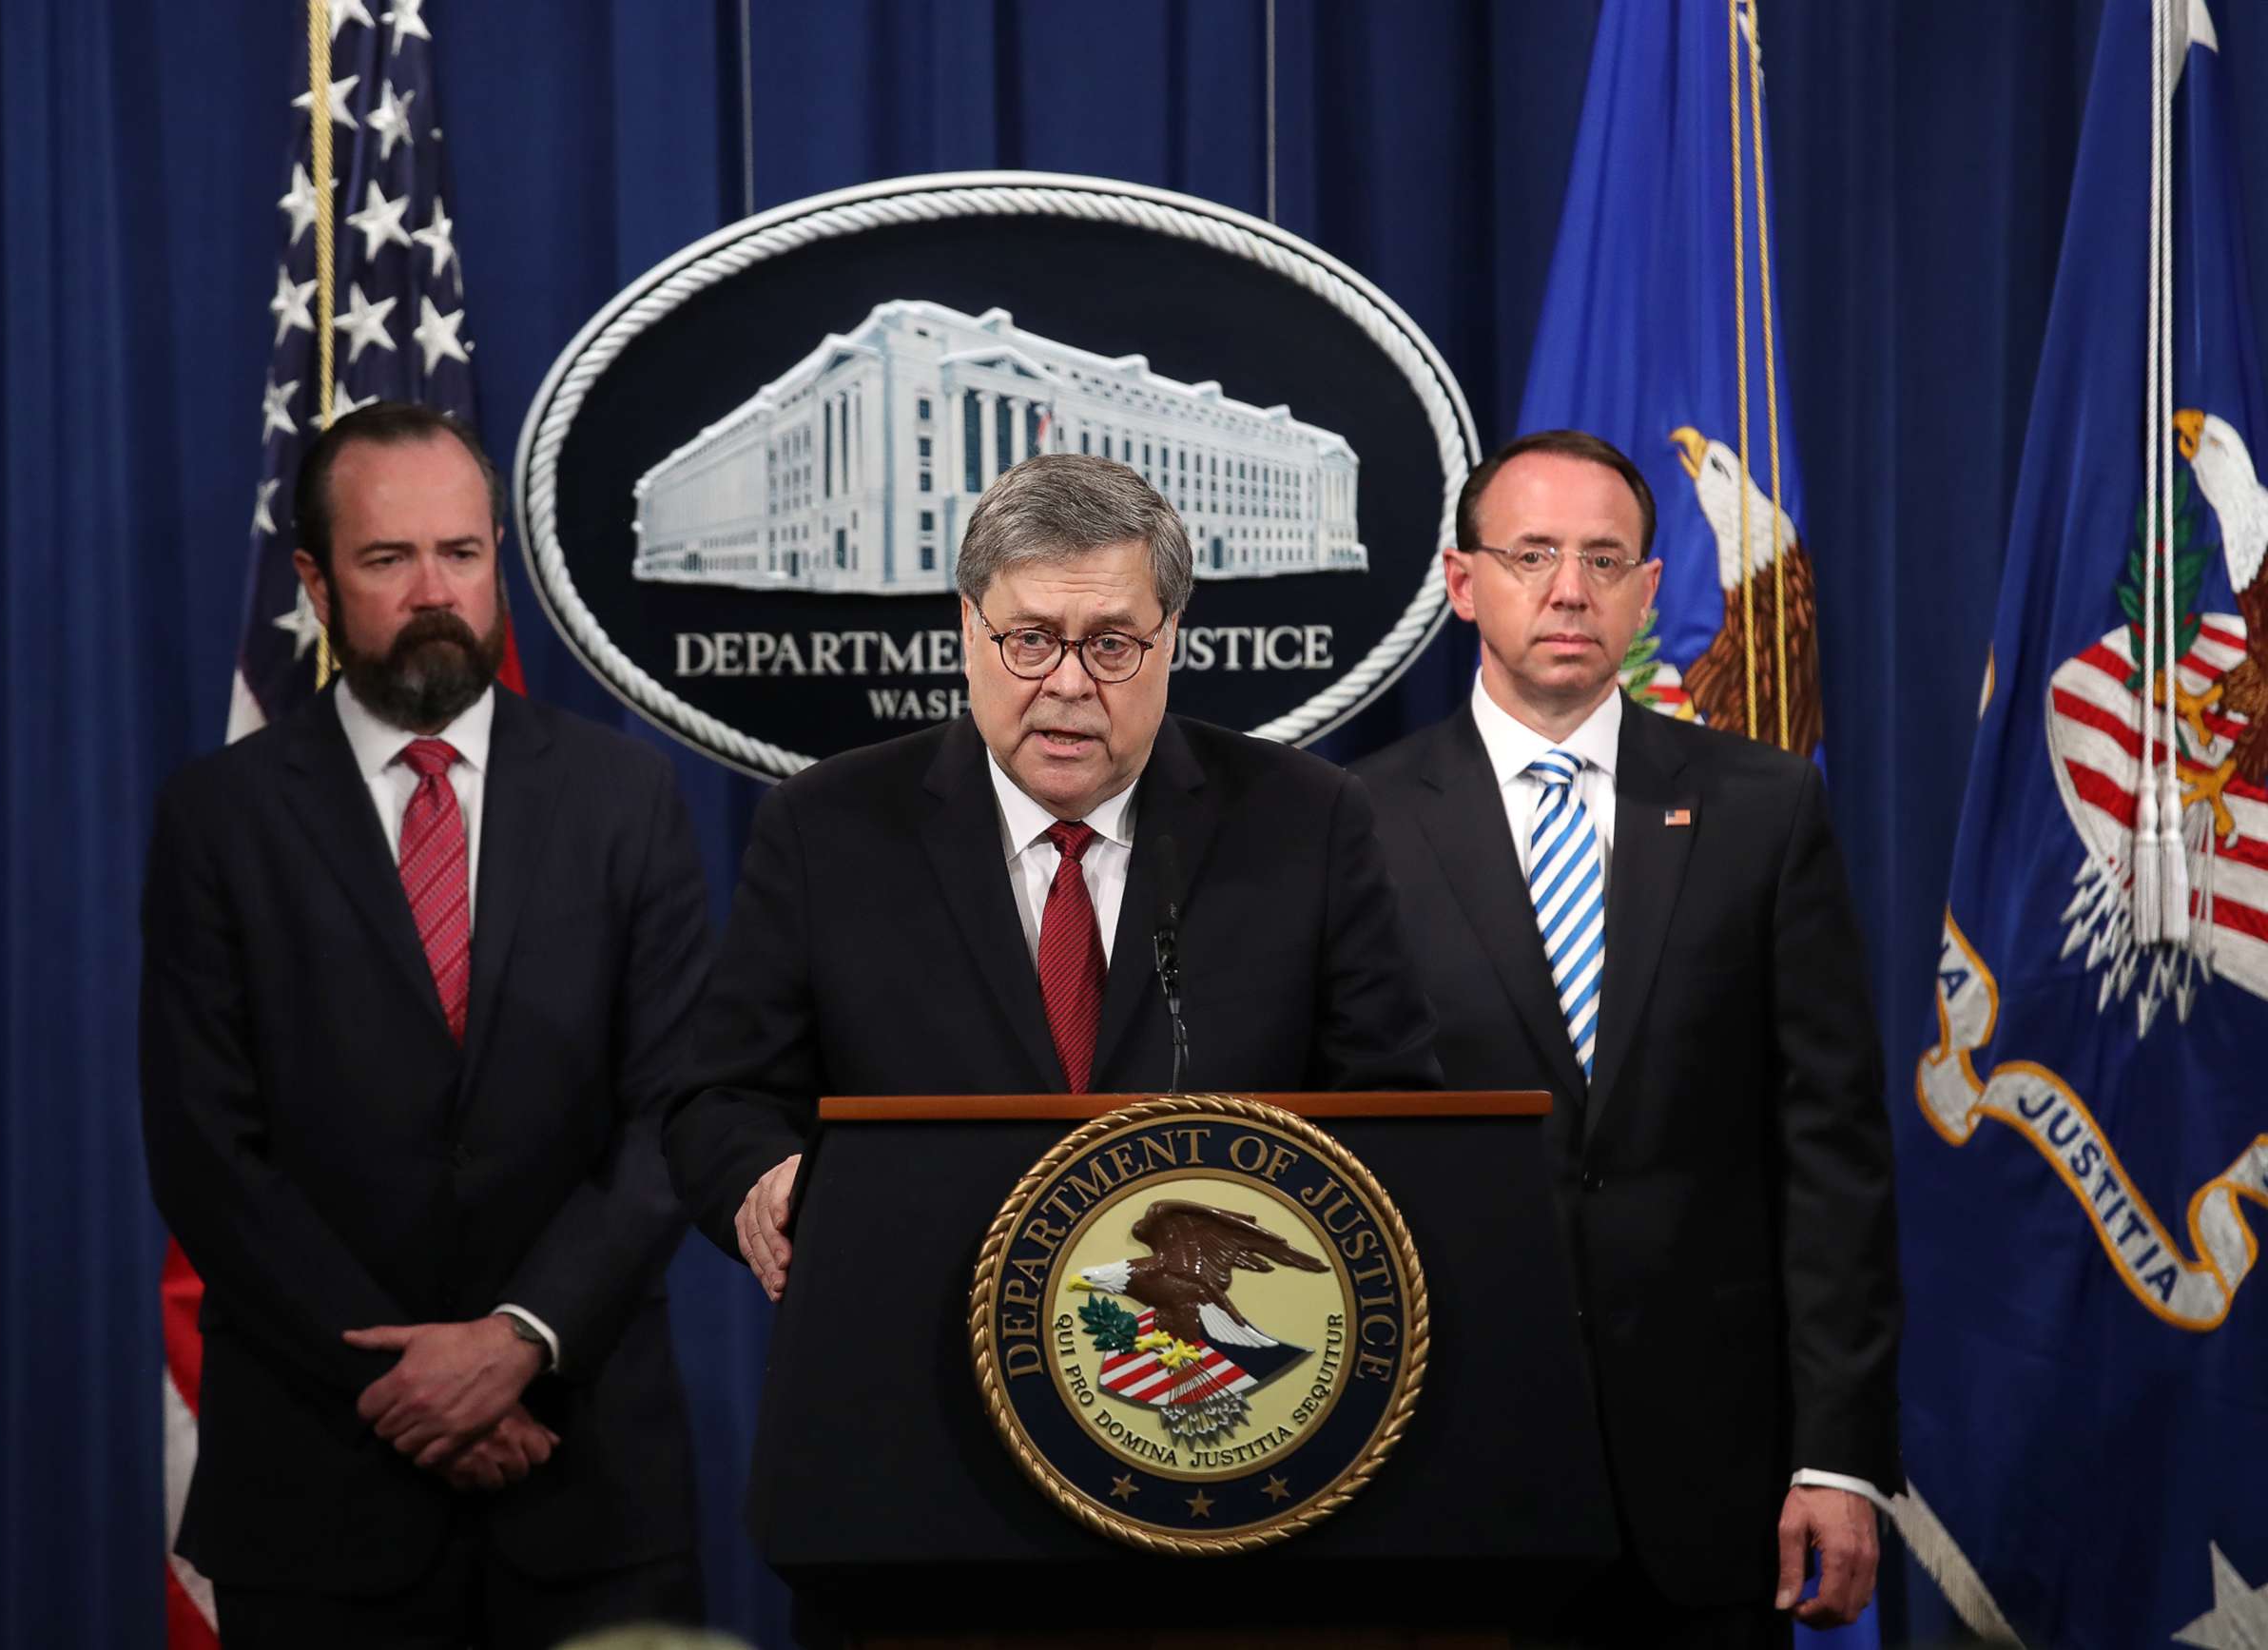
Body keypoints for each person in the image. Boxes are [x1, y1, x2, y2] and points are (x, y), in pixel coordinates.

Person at [141, 403, 708, 1647]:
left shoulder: (626, 799)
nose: (433, 590)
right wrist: (409, 1384)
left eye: (460, 551)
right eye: (388, 559)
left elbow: (673, 1114)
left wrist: (520, 1338)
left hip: (588, 1472)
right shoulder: (219, 818)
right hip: (322, 1479)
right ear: (316, 578)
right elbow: (205, 1148)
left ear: (499, 556)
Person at [1354, 430, 1899, 1646]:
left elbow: (1834, 1159)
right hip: (1438, 1475)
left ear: (1651, 592)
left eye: (1606, 560)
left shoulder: (1765, 809)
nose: (1568, 590)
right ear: (1461, 583)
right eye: (1532, 554)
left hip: (1716, 1494)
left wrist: (1840, 1458)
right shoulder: (1352, 825)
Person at [663, 452, 1442, 1298]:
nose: (1068, 683)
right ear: (969, 627)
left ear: (1171, 636)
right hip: (911, 1339)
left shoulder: (1305, 821)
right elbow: (721, 1102)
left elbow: (1393, 1109)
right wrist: (763, 1183)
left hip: (1202, 1358)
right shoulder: (827, 828)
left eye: (1112, 644)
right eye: (1030, 639)